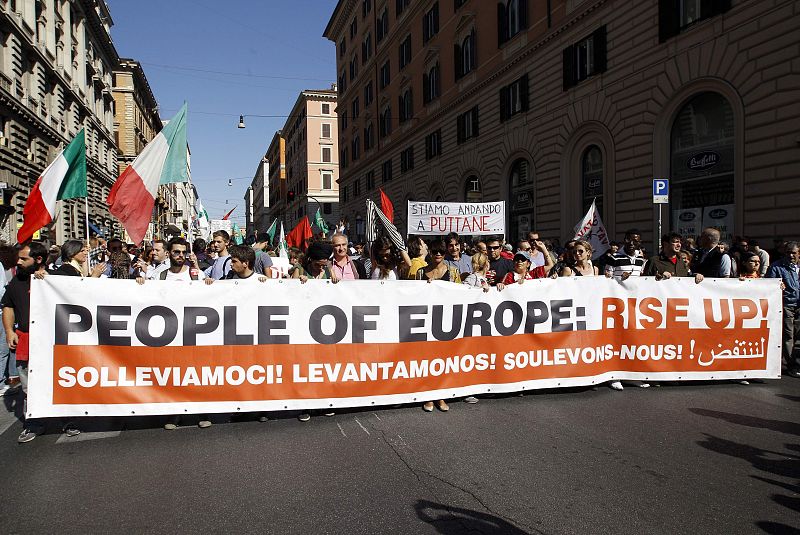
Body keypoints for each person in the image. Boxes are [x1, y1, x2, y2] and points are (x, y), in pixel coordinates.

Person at [2, 242, 79, 442]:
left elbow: (80, 295)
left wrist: (49, 281)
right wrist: (9, 331)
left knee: (60, 382)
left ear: (38, 260)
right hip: (26, 342)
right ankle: (34, 424)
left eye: (23, 259)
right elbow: (8, 306)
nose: (18, 262)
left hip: (54, 343)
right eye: (18, 258)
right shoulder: (16, 282)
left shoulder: (57, 278)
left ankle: (69, 421)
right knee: (29, 387)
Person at [604, 230, 649, 390]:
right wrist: (618, 279)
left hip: (635, 305)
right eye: (629, 240)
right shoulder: (613, 258)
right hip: (617, 304)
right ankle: (615, 376)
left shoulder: (641, 259)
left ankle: (631, 375)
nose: (631, 243)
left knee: (633, 340)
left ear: (639, 243)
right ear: (624, 240)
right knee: (617, 340)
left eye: (635, 241)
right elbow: (606, 278)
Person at [766, 241, 800, 377]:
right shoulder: (776, 267)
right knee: (788, 335)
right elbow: (768, 284)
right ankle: (791, 366)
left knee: (797, 335)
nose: (791, 255)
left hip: (799, 305)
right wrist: (776, 286)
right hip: (786, 304)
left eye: (794, 253)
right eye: (788, 252)